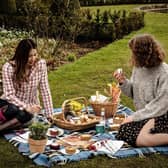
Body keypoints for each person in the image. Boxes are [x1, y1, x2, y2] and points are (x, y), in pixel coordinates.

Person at [113, 34, 168, 147]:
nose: (131, 56)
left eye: (133, 53)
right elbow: (134, 93)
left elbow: (161, 105)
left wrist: (133, 117)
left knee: (142, 139)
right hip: (147, 115)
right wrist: (123, 82)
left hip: (162, 114)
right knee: (123, 131)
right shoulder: (138, 68)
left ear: (140, 54)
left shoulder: (164, 73)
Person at [0, 39, 54, 131]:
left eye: (35, 55)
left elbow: (45, 90)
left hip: (29, 107)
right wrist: (26, 107)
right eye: (29, 56)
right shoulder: (9, 68)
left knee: (28, 115)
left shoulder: (41, 65)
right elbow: (9, 95)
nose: (33, 59)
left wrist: (50, 115)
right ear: (21, 56)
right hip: (10, 103)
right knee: (13, 109)